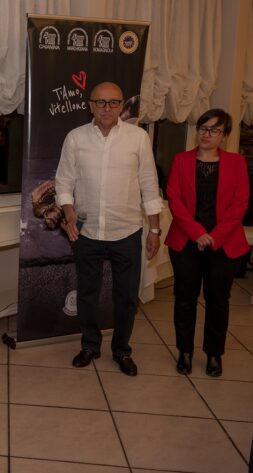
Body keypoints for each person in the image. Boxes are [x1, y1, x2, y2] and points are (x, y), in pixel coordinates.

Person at [55, 81, 163, 377]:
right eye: (101, 102)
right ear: (90, 105)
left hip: (127, 231)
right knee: (87, 293)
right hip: (87, 232)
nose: (107, 108)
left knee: (126, 296)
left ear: (122, 106)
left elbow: (149, 185)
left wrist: (155, 231)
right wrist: (69, 213)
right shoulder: (75, 138)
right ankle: (90, 345)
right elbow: (64, 182)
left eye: (113, 102)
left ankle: (121, 349)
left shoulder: (138, 138)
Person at [165, 109, 250, 377]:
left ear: (225, 136)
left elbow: (240, 204)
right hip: (186, 241)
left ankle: (214, 353)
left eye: (214, 130)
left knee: (218, 300)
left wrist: (215, 236)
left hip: (224, 243)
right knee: (185, 298)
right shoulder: (181, 160)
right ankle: (185, 352)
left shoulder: (237, 163)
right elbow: (174, 199)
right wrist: (197, 233)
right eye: (203, 128)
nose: (207, 134)